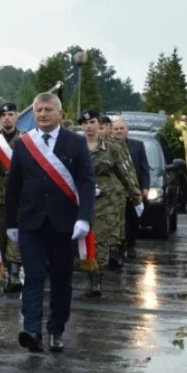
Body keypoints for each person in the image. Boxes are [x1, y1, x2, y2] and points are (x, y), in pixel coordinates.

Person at [5, 93, 95, 353]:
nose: (42, 114)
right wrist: (11, 221)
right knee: (32, 276)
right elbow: (14, 186)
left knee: (60, 280)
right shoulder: (24, 144)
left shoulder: (75, 143)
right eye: (38, 110)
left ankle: (56, 329)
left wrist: (84, 218)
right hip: (31, 223)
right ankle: (32, 330)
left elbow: (87, 183)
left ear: (60, 113)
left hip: (64, 224)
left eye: (48, 110)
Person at [78, 111, 142, 295]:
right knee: (81, 238)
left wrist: (136, 196)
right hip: (81, 199)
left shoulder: (112, 148)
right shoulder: (75, 146)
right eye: (85, 123)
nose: (88, 126)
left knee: (100, 240)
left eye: (92, 122)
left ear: (99, 124)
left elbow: (125, 172)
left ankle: (96, 280)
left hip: (105, 201)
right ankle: (83, 272)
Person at [0, 102, 24, 293]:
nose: (7, 118)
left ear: (16, 117)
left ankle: (14, 274)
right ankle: (2, 270)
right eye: (4, 115)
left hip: (19, 195)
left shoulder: (26, 140)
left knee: (15, 236)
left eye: (11, 114)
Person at [112, 118, 149, 259]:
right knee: (117, 220)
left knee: (132, 219)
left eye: (121, 128)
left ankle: (131, 245)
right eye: (116, 129)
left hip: (132, 190)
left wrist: (145, 187)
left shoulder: (138, 146)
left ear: (127, 130)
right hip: (114, 191)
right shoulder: (107, 146)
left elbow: (144, 168)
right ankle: (118, 248)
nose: (119, 131)